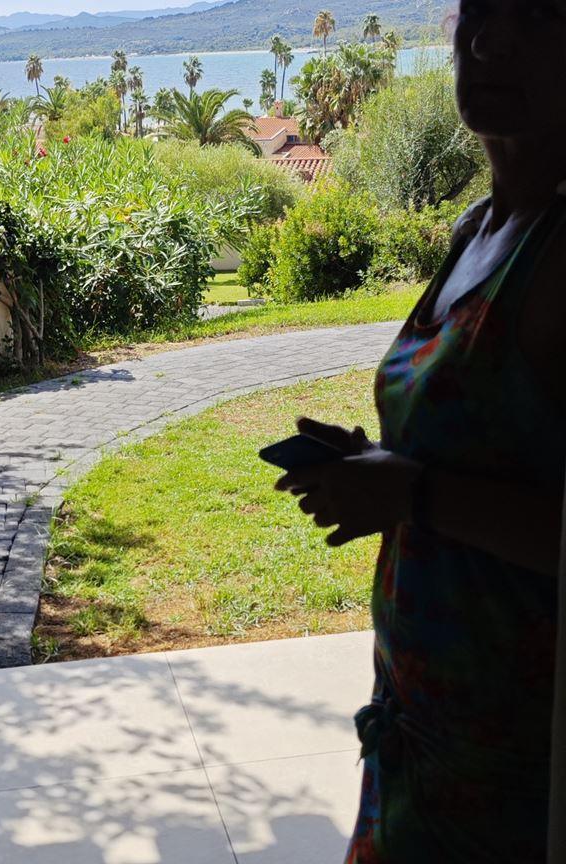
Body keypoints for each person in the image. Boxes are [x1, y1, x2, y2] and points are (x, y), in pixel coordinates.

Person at [276, 1, 566, 860]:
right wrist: (378, 467)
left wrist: (413, 494)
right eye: (480, 9)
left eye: (538, 14)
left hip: (513, 768)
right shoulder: (478, 227)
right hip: (414, 730)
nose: (490, 39)